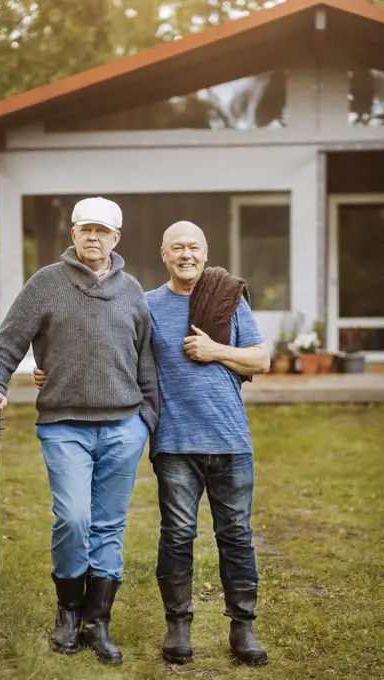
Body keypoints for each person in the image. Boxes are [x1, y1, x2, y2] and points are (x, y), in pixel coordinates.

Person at [34, 219, 270, 667]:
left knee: (236, 535)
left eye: (194, 247)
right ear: (164, 254)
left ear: (205, 251)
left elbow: (262, 358)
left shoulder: (229, 300)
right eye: (177, 247)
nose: (187, 255)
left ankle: (244, 627)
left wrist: (216, 351)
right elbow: (109, 350)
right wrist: (54, 371)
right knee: (178, 535)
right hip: (174, 442)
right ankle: (177, 624)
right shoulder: (145, 304)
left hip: (231, 440)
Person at [0, 197, 159, 665]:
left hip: (122, 426)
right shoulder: (46, 284)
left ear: (116, 239)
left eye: (102, 230)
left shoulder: (133, 290)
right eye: (85, 229)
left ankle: (98, 623)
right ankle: (67, 613)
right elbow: (10, 336)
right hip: (64, 426)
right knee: (74, 519)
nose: (92, 237)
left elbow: (147, 361)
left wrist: (146, 420)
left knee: (110, 525)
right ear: (73, 235)